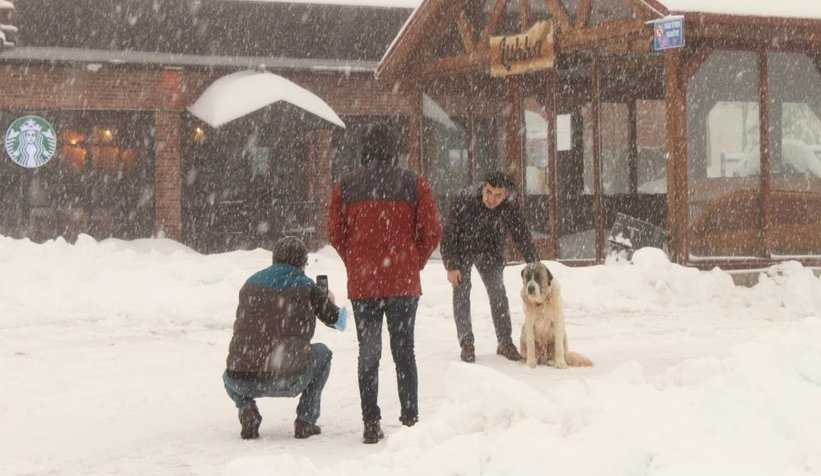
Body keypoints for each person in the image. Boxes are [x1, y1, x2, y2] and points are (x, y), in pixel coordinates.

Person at [328, 123, 442, 444]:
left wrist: (355, 261)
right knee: (404, 352)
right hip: (403, 284)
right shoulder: (413, 183)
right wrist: (412, 261)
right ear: (395, 151)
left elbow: (335, 234)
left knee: (369, 353)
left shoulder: (345, 185)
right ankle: (410, 419)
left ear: (364, 150)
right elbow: (433, 230)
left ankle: (370, 421)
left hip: (364, 285)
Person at [223, 236, 347, 440]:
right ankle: (305, 420)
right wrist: (328, 301)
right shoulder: (307, 286)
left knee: (228, 374)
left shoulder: (250, 283)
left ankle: (247, 410)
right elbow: (339, 322)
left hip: (240, 378)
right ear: (302, 263)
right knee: (323, 353)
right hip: (287, 378)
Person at [440, 170, 539, 363]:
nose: (491, 199)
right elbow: (449, 233)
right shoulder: (465, 199)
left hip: (491, 251)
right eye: (488, 192)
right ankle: (466, 342)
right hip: (462, 249)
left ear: (505, 194)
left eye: (497, 195)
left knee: (498, 292)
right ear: (483, 187)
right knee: (461, 290)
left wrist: (534, 264)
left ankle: (504, 342)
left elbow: (522, 235)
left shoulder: (509, 205)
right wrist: (451, 265)